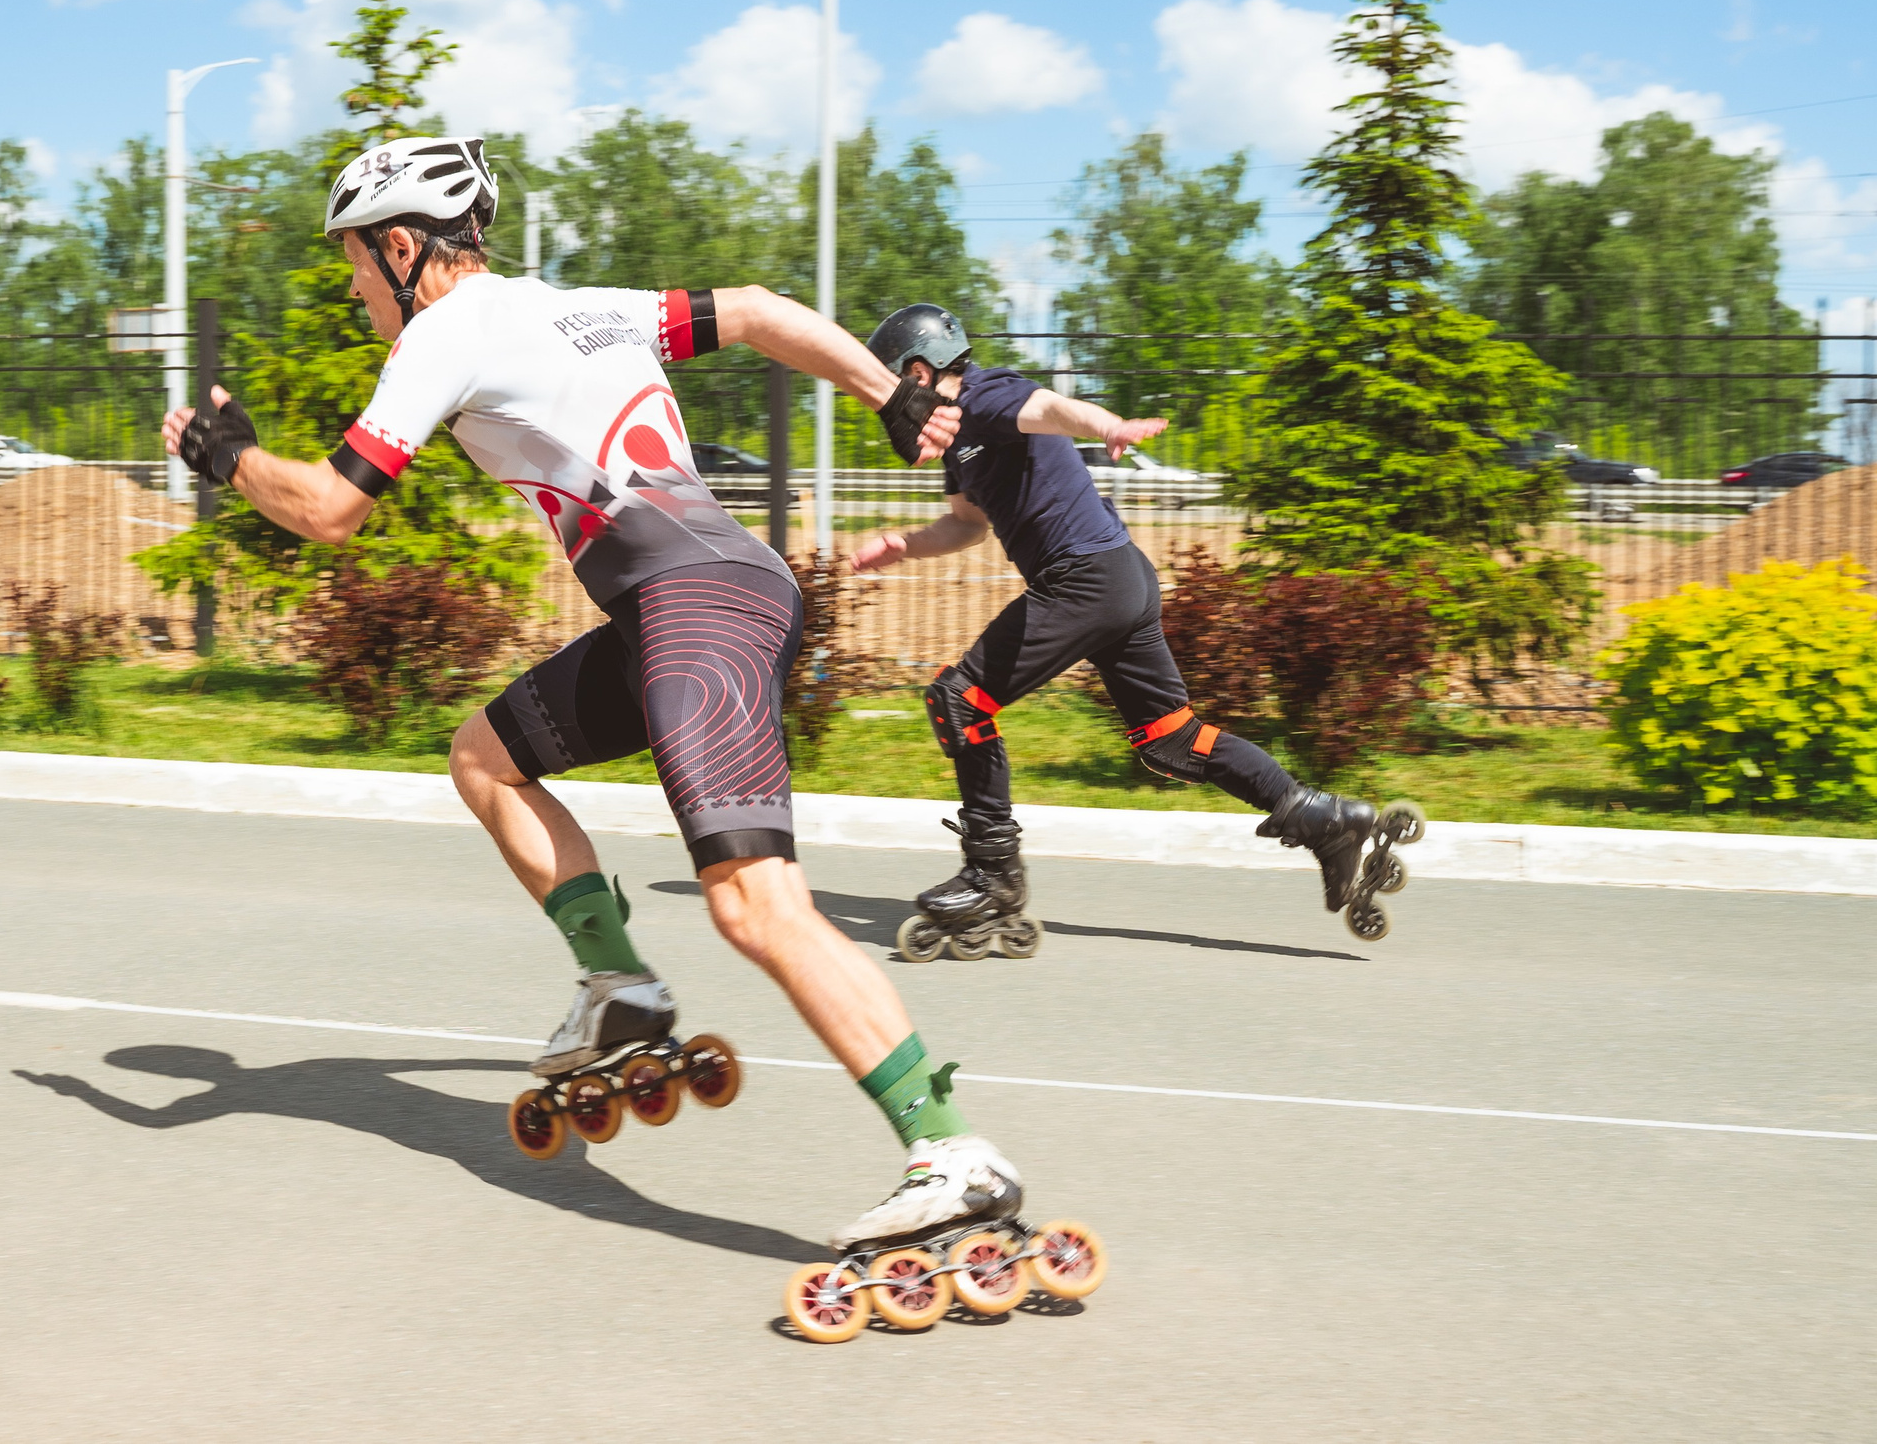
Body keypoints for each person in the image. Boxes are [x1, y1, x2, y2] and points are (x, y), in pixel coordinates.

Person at [166, 136, 1028, 1250]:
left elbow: (332, 508)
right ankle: (617, 982)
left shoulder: (446, 331)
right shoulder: (586, 307)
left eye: (351, 264)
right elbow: (761, 310)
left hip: (694, 604)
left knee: (753, 905)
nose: (350, 289)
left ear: (399, 246)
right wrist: (884, 394)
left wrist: (229, 457)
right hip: (696, 599)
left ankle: (948, 1147)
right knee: (485, 755)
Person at [846, 303, 1414, 947]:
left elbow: (1049, 409)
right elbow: (967, 524)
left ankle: (992, 875)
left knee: (960, 699)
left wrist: (1107, 425)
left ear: (918, 372)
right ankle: (1321, 819)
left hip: (1087, 577)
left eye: (890, 388)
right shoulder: (956, 437)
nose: (887, 406)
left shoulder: (987, 393)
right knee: (1170, 740)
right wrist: (902, 543)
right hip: (1114, 578)